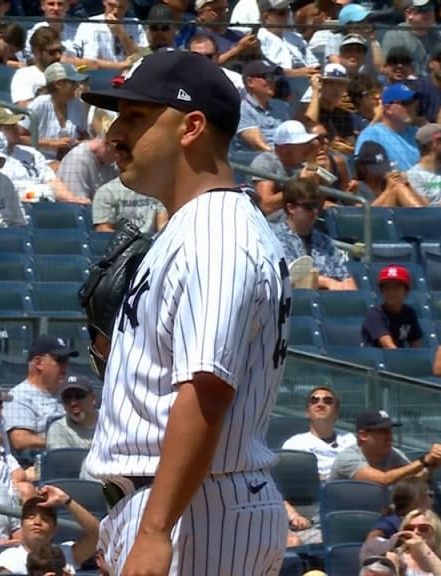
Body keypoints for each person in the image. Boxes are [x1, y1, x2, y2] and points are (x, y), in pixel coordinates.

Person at [79, 49, 289, 574]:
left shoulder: (215, 238)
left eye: (135, 117)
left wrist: (153, 530)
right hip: (184, 504)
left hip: (194, 512)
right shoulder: (193, 228)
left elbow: (207, 388)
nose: (115, 134)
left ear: (191, 126)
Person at [272, 178, 356, 290]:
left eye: (316, 206)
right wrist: (327, 282)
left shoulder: (325, 241)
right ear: (291, 208)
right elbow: (292, 275)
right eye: (308, 206)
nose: (315, 211)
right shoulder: (275, 238)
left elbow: (344, 274)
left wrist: (349, 283)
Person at [0, 485, 102, 573]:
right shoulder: (8, 557)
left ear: (55, 529)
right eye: (31, 517)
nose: (37, 522)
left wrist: (65, 500)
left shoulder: (66, 553)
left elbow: (99, 534)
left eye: (45, 519)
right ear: (22, 525)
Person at [330, 409, 441, 486]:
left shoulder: (393, 453)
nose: (390, 437)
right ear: (363, 435)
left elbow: (414, 479)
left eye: (390, 431)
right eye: (382, 431)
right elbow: (384, 480)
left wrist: (432, 465)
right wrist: (424, 460)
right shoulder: (348, 458)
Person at [5, 335, 76, 453]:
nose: (66, 365)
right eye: (60, 360)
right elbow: (20, 439)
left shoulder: (70, 393)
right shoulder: (19, 396)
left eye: (67, 360)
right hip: (37, 465)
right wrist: (66, 441)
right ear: (39, 363)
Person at [280, 386, 357, 480]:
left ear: (337, 413)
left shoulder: (350, 441)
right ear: (308, 412)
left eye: (328, 401)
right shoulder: (294, 444)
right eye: (314, 400)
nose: (320, 404)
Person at [23, 62, 90, 163]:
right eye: (73, 83)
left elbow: (84, 135)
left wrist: (78, 143)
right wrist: (52, 143)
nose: (77, 86)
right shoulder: (39, 104)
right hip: (39, 160)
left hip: (71, 159)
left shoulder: (77, 104)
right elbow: (18, 137)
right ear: (58, 84)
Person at [355, 83, 420, 171]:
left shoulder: (418, 134)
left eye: (413, 101)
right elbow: (364, 170)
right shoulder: (371, 135)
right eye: (406, 103)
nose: (412, 107)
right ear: (388, 109)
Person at [362, 265, 424, 349]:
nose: (391, 292)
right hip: (375, 360)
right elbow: (388, 346)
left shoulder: (409, 313)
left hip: (398, 359)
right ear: (382, 291)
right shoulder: (375, 314)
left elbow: (416, 345)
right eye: (387, 288)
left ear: (406, 291)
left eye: (396, 288)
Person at [236, 60, 289, 152]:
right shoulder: (241, 110)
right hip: (260, 162)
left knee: (318, 165)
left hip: (290, 159)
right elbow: (260, 146)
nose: (273, 81)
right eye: (268, 77)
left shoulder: (281, 106)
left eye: (275, 77)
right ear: (250, 82)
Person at [365, 478, 435, 541]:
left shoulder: (429, 521)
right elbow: (370, 545)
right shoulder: (390, 524)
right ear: (416, 499)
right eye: (430, 495)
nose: (432, 501)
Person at [91, 177, 167, 234]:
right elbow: (103, 229)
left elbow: (162, 225)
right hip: (121, 248)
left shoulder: (158, 188)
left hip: (151, 245)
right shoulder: (107, 191)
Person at [46, 376, 99, 451]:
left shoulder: (110, 422)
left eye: (79, 396)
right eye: (67, 398)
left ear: (93, 398)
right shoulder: (58, 429)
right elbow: (63, 461)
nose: (73, 403)